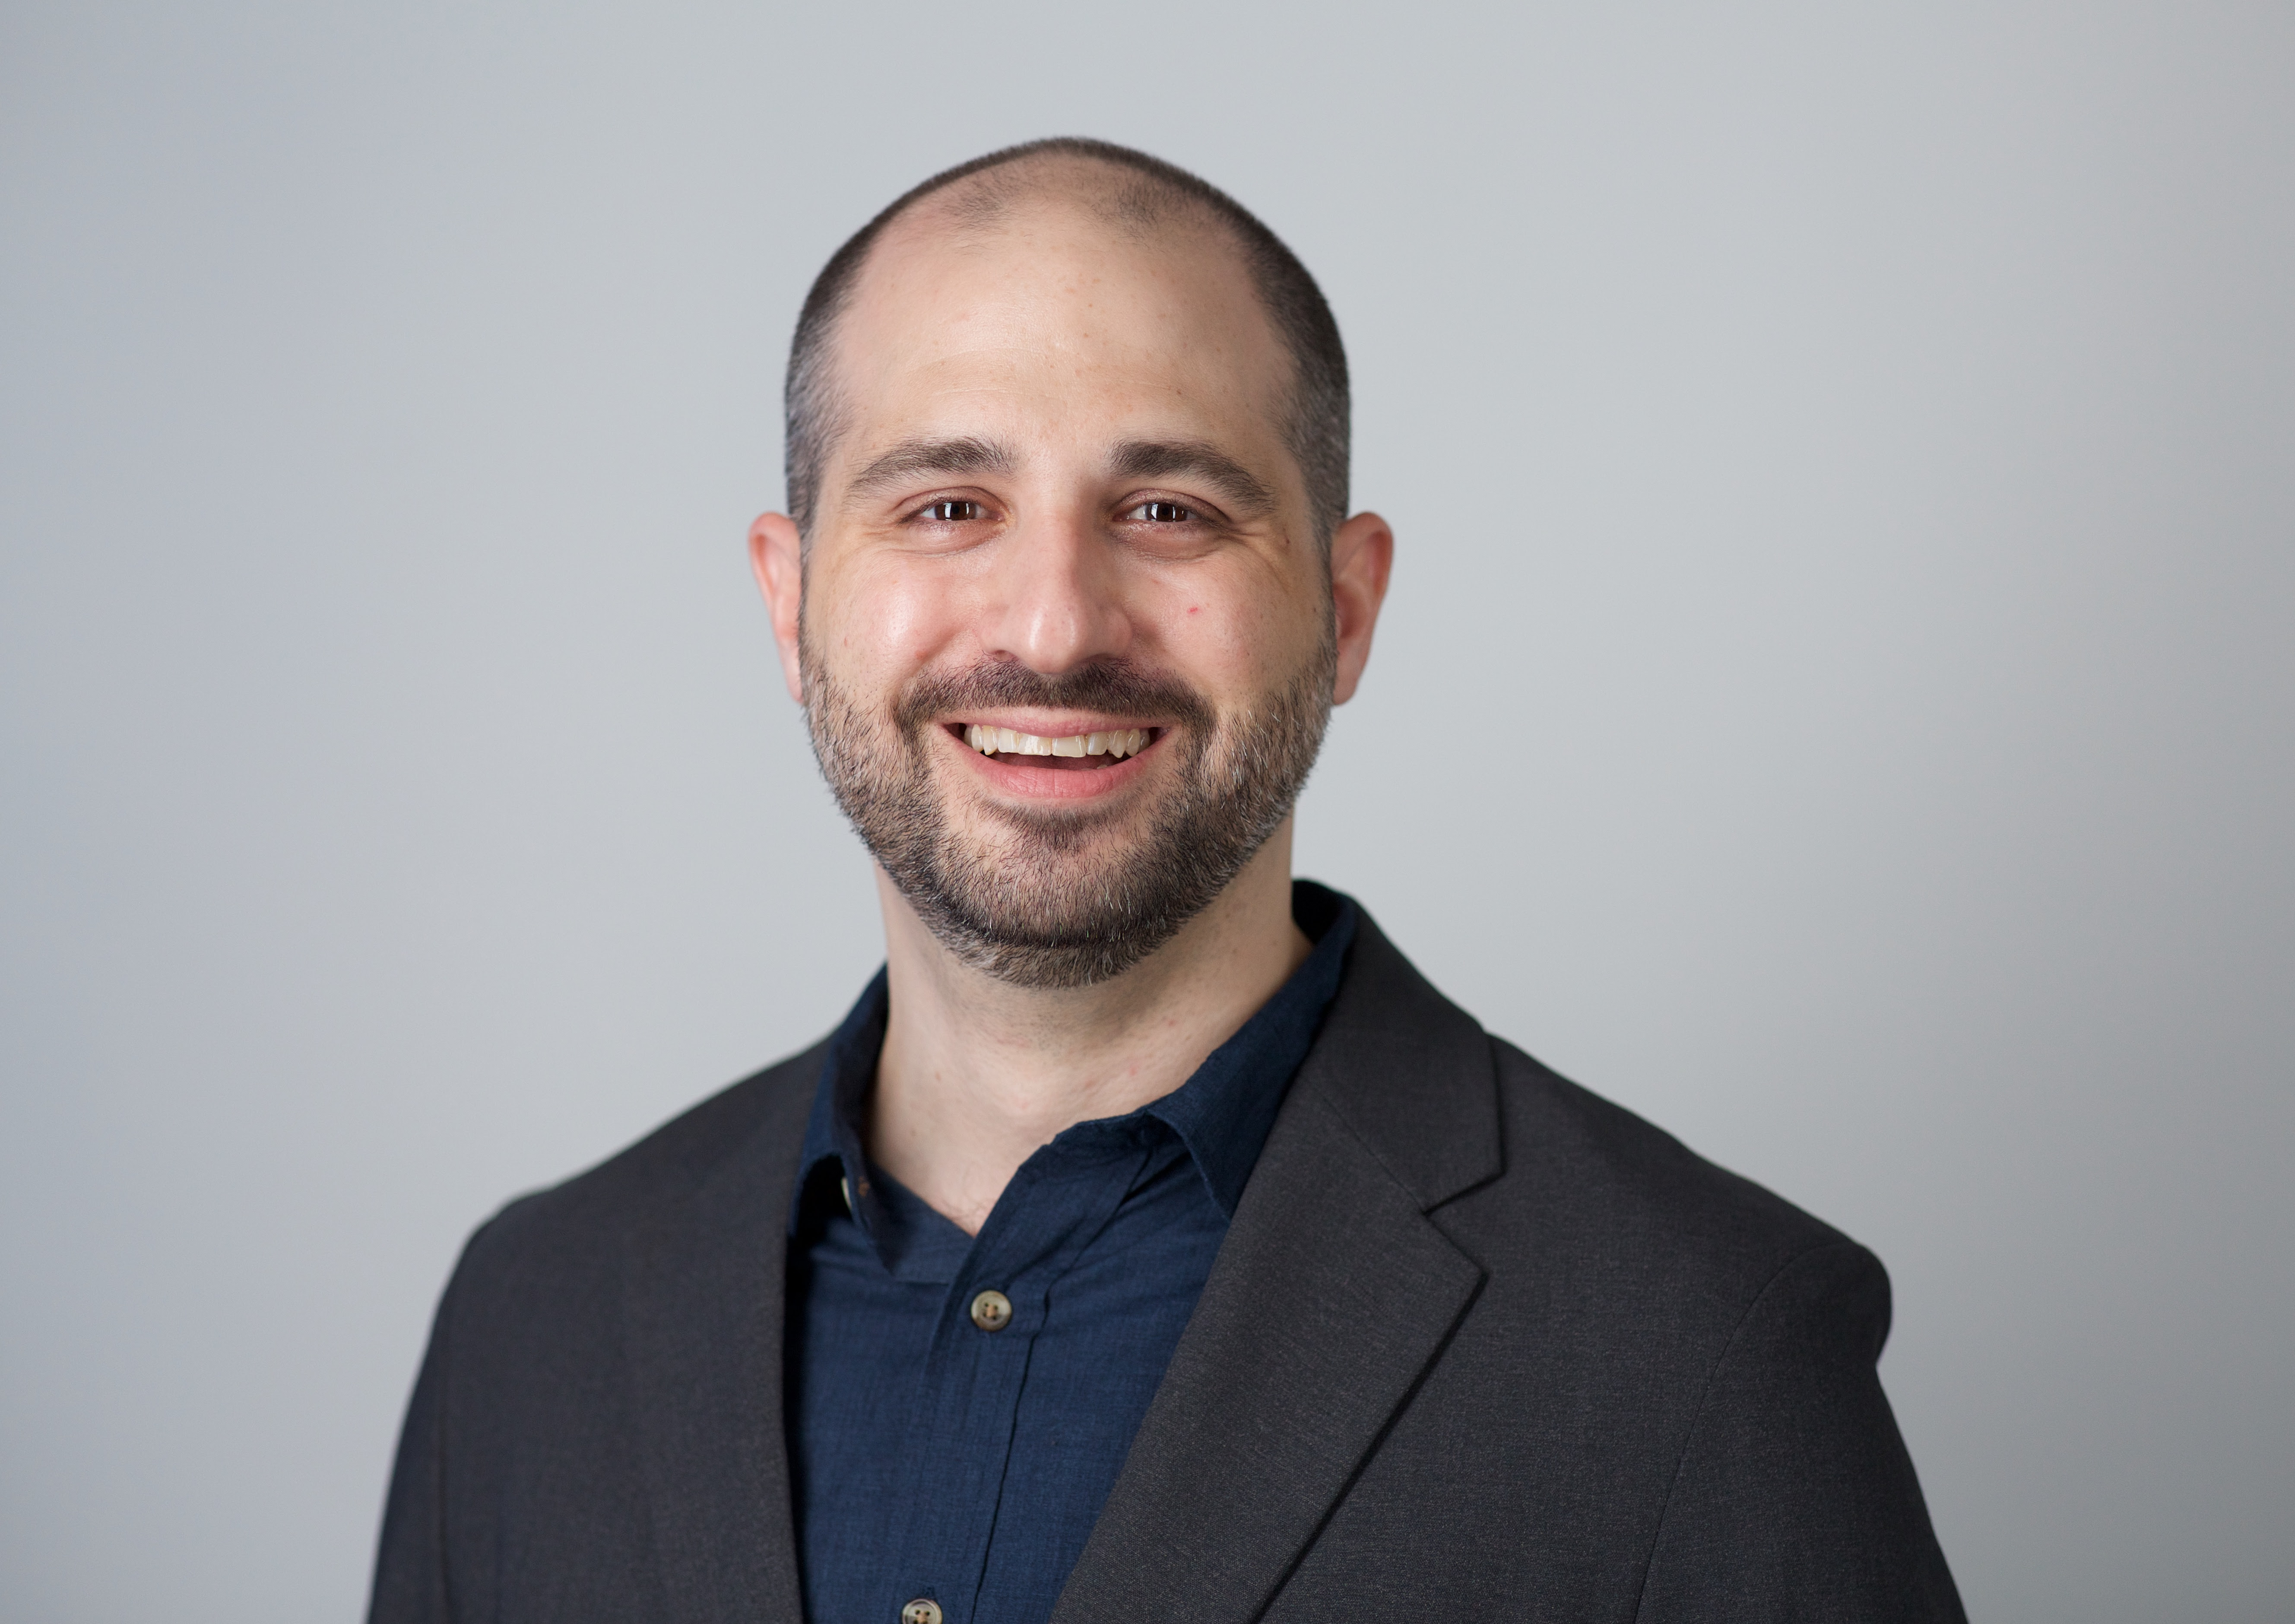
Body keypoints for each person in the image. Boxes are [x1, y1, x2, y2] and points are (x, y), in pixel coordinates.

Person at [369, 137, 1966, 1624]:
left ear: (1345, 611)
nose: (1056, 625)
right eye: (948, 506)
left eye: (1167, 511)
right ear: (791, 609)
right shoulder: (537, 1321)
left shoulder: (1704, 1350)